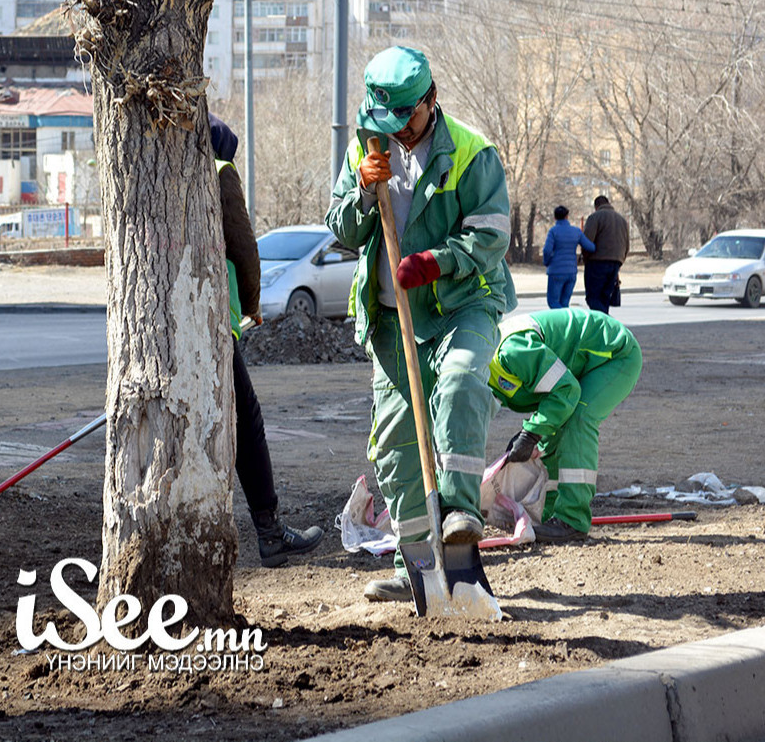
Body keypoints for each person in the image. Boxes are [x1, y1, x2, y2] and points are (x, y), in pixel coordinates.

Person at [326, 46, 516, 602]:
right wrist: (362, 188)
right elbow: (343, 228)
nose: (398, 131)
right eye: (386, 119)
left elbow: (491, 234)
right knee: (396, 444)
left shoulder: (472, 153)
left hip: (461, 304)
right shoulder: (368, 145)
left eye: (406, 117)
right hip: (392, 320)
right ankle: (422, 575)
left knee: (460, 381)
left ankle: (459, 522)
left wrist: (438, 261)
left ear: (430, 102)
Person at [211, 113, 324, 568]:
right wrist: (253, 302)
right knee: (245, 419)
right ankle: (271, 532)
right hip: (213, 314)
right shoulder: (218, 169)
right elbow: (241, 240)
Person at [489, 308, 642, 543]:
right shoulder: (485, 369)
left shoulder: (511, 352)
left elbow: (567, 390)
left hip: (615, 354)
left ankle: (572, 521)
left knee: (579, 419)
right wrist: (534, 433)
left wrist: (530, 433)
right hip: (578, 369)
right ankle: (549, 514)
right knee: (550, 435)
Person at [582, 195, 629, 314]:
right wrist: (619, 261)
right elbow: (626, 245)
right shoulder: (622, 220)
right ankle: (604, 325)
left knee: (593, 297)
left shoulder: (595, 217)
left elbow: (587, 241)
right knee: (605, 298)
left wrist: (585, 258)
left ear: (596, 206)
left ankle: (606, 323)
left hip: (597, 262)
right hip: (616, 262)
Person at [542, 204, 595, 309]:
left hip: (556, 271)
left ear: (555, 217)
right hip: (571, 272)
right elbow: (591, 247)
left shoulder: (553, 231)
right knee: (564, 303)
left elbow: (547, 250)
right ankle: (566, 323)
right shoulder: (576, 231)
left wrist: (547, 262)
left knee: (553, 302)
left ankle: (561, 323)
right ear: (567, 216)